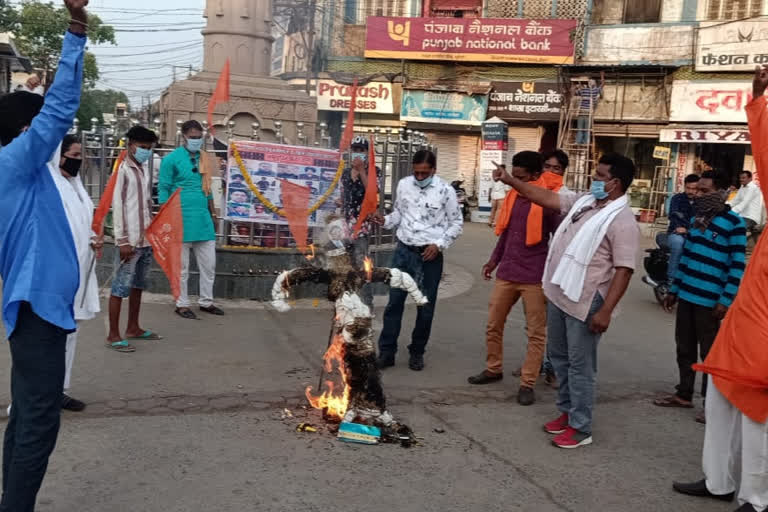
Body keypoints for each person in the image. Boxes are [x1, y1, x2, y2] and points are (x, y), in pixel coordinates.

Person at [0, 2, 88, 508]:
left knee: (26, 418)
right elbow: (56, 112)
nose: (55, 141)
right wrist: (76, 31)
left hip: (37, 305)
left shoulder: (22, 171)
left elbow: (37, 111)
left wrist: (38, 84)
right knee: (37, 422)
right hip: (36, 308)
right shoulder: (17, 162)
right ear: (23, 135)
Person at [672, 65, 768, 512]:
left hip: (761, 341)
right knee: (722, 407)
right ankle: (717, 481)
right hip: (739, 326)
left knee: (756, 417)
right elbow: (765, 153)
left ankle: (756, 497)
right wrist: (758, 99)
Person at [494, 153, 639, 449]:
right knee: (559, 358)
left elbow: (624, 270)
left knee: (580, 365)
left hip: (588, 303)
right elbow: (546, 197)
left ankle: (581, 426)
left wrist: (606, 312)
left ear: (615, 183)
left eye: (600, 176)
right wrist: (510, 181)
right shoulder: (586, 202)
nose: (594, 180)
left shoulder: (622, 221)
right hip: (562, 293)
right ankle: (566, 412)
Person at [467, 152, 559, 406]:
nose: (513, 182)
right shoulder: (512, 198)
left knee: (535, 333)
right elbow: (506, 236)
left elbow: (559, 239)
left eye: (519, 178)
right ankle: (493, 368)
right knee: (493, 324)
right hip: (507, 272)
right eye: (513, 177)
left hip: (534, 276)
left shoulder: (547, 203)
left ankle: (528, 382)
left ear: (535, 176)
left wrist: (554, 272)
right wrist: (493, 261)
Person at [654, 171, 746, 421]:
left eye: (705, 191)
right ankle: (683, 394)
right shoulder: (698, 220)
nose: (699, 196)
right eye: (698, 191)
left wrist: (725, 300)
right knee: (684, 347)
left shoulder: (735, 225)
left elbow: (737, 266)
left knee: (709, 355)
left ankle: (711, 405)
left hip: (710, 302)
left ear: (722, 192)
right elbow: (686, 257)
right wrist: (674, 290)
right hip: (687, 296)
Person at [372, 149, 463, 371]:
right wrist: (384, 220)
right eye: (417, 173)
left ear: (434, 170)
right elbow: (398, 215)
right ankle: (386, 351)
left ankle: (417, 351)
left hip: (429, 256)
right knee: (394, 303)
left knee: (425, 306)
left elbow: (456, 223)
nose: (420, 177)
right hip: (403, 252)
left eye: (425, 173)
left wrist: (438, 245)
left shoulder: (445, 191)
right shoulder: (404, 185)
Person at [159, 120, 224, 319]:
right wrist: (164, 217)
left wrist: (213, 214)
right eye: (193, 137)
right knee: (182, 267)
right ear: (184, 136)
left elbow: (208, 190)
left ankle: (206, 301)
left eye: (199, 137)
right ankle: (182, 303)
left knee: (209, 265)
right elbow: (163, 188)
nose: (196, 140)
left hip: (203, 219)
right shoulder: (171, 159)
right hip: (179, 217)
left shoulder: (204, 158)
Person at [56, 135, 100, 411]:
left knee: (71, 331)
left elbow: (82, 221)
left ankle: (59, 389)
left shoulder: (75, 184)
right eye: (74, 154)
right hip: (58, 271)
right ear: (59, 156)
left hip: (81, 268)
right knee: (50, 334)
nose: (79, 159)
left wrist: (94, 236)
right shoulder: (51, 185)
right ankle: (32, 396)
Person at [107, 125, 161, 352]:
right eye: (142, 147)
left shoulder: (143, 168)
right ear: (130, 145)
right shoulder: (122, 170)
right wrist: (122, 240)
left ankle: (133, 327)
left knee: (139, 286)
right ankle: (113, 334)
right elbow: (117, 206)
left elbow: (146, 204)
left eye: (149, 148)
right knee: (120, 288)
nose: (145, 151)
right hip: (130, 241)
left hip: (145, 238)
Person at [341, 135, 382, 309]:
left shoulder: (375, 172)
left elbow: (373, 193)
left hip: (362, 225)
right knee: (345, 265)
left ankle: (367, 303)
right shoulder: (345, 172)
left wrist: (362, 172)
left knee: (362, 263)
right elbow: (344, 194)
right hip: (345, 224)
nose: (358, 153)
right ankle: (349, 302)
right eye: (355, 150)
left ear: (367, 152)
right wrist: (340, 202)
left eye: (361, 150)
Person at [665, 174, 700, 284]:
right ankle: (671, 279)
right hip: (676, 232)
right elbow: (673, 216)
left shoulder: (701, 201)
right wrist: (681, 228)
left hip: (694, 233)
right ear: (684, 186)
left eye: (694, 189)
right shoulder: (677, 198)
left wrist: (688, 230)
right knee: (678, 244)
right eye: (688, 188)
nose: (690, 191)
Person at [730, 170, 765, 245]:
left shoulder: (753, 188)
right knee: (755, 241)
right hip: (742, 216)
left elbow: (744, 203)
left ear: (750, 179)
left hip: (750, 217)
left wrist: (730, 211)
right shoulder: (742, 187)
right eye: (740, 178)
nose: (741, 179)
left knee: (735, 231)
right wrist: (726, 206)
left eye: (743, 178)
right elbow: (735, 200)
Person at [574, 74, 604, 145]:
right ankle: (585, 142)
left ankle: (578, 141)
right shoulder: (595, 90)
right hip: (588, 112)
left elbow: (576, 93)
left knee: (580, 128)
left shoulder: (584, 90)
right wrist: (602, 76)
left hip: (582, 111)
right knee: (586, 128)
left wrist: (577, 87)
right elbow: (602, 85)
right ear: (594, 84)